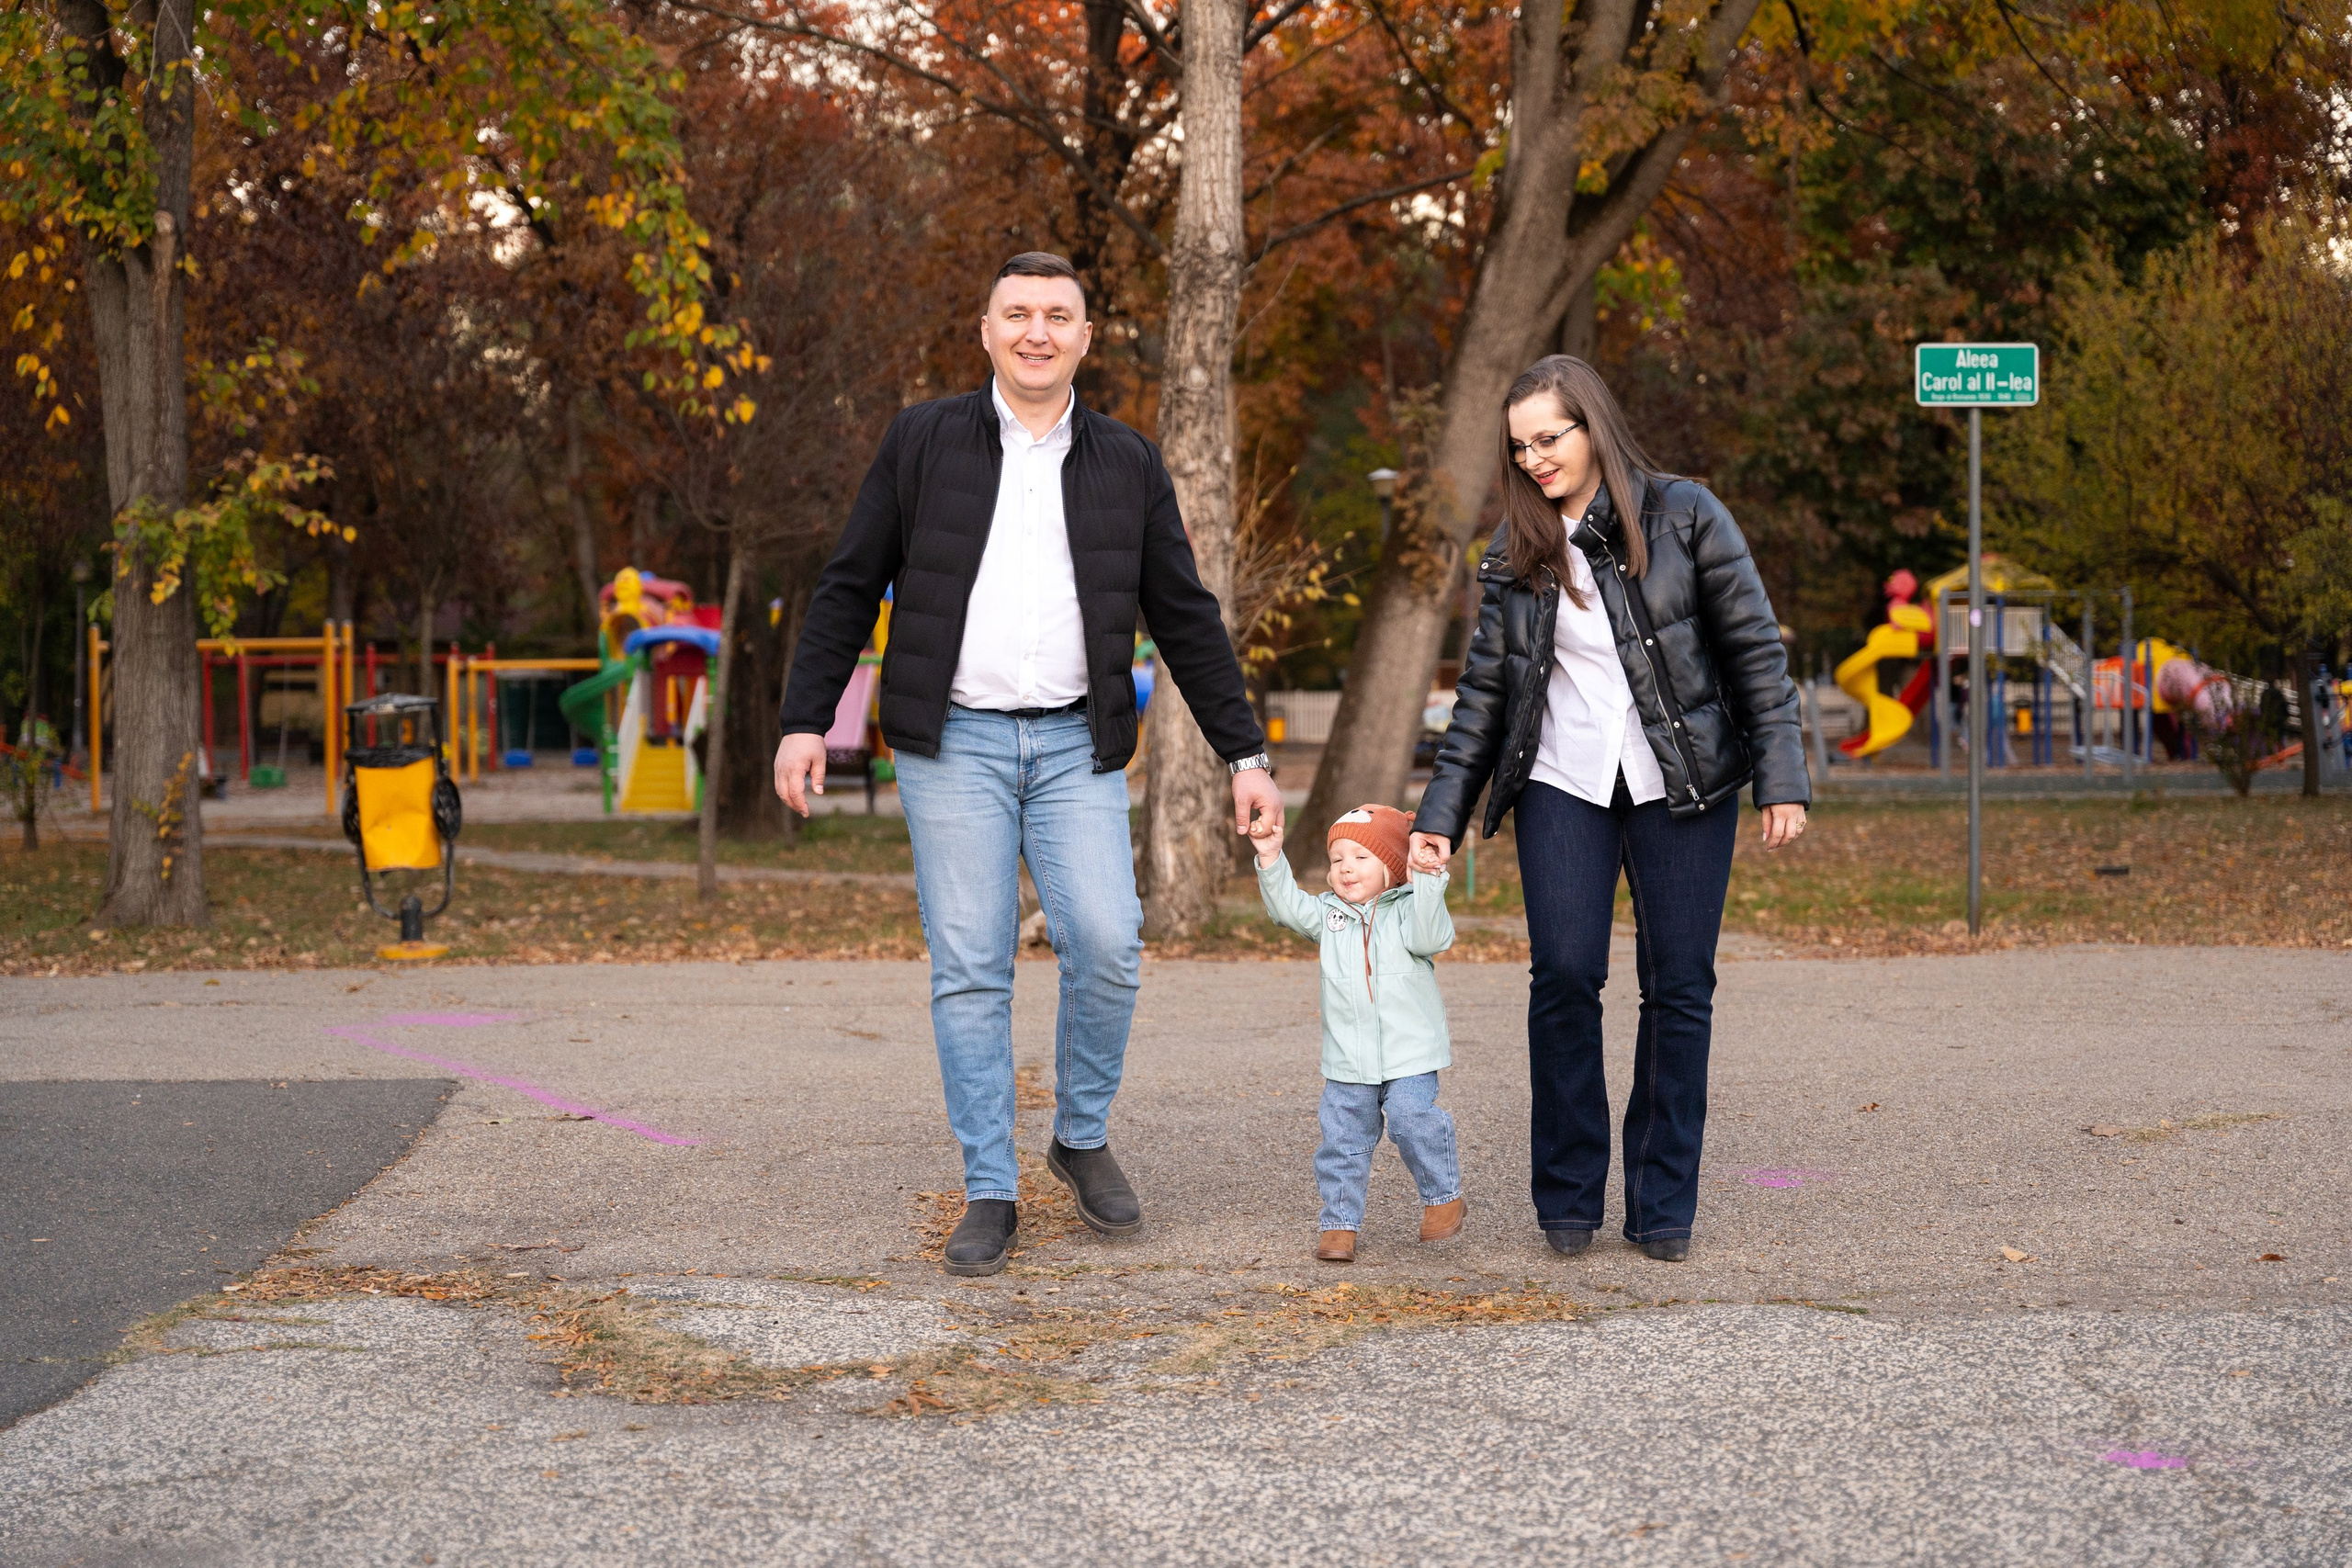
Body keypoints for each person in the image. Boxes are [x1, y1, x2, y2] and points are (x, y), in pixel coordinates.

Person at [774, 252, 1282, 1278]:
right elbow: (847, 584)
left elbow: (1183, 615)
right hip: (949, 740)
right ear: (986, 329)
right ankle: (989, 1186)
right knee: (971, 963)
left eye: (1058, 315)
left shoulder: (1128, 462)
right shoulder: (922, 441)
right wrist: (802, 721)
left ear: (1086, 339)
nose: (1037, 331)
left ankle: (1078, 1135)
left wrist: (1246, 752)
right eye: (1018, 313)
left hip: (1072, 745)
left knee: (1105, 940)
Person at [1409, 355, 1810, 1264]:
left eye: (1550, 437)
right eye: (1520, 448)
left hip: (1683, 786)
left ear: (1592, 425)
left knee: (1678, 988)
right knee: (1561, 977)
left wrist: (1781, 777)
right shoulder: (1513, 552)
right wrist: (1440, 812)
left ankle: (1662, 1205)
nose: (1536, 458)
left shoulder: (1687, 515)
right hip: (1562, 787)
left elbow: (1752, 649)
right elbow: (1481, 694)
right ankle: (1566, 1199)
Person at [1249, 802, 1462, 1264]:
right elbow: (1286, 908)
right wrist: (1269, 855)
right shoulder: (1328, 916)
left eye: (1361, 858)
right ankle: (1339, 1225)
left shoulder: (1408, 911)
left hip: (1410, 1055)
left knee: (1410, 1118)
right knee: (1342, 1141)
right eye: (1337, 859)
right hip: (1348, 1060)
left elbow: (1432, 938)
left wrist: (1426, 879)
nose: (1346, 868)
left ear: (1391, 867)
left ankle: (1443, 1197)